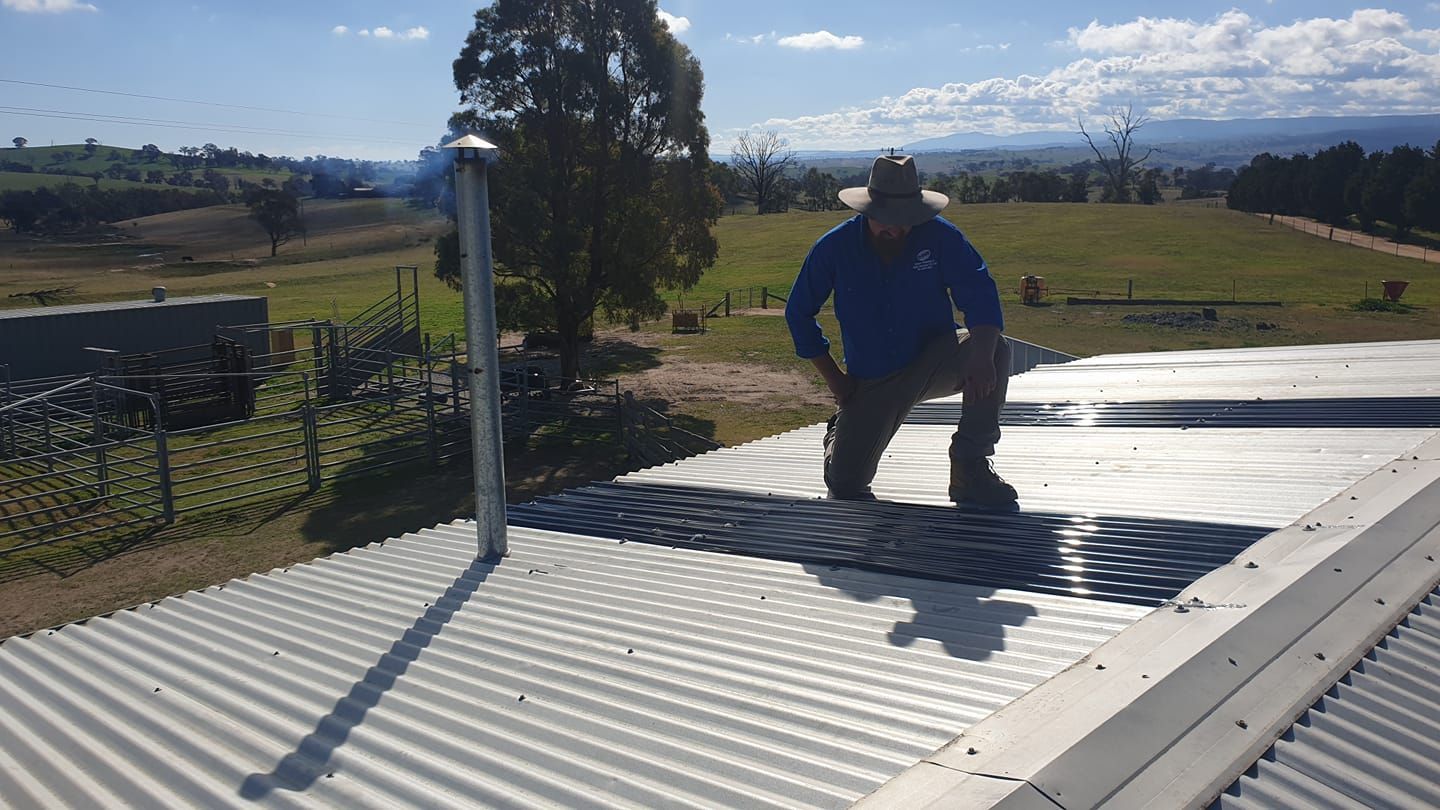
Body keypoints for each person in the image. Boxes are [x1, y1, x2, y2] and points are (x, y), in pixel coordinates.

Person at [784, 154, 1017, 509]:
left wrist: (982, 356)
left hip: (934, 360)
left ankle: (971, 467)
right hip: (873, 378)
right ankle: (839, 433)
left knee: (994, 349)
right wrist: (836, 380)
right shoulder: (834, 248)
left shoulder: (941, 237)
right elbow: (799, 313)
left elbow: (981, 295)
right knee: (846, 484)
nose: (895, 228)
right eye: (885, 221)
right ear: (867, 210)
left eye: (905, 220)